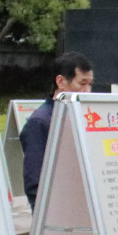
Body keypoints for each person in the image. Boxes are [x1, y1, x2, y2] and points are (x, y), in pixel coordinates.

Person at [20, 52, 94, 209]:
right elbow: (35, 182)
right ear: (61, 81)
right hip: (58, 211)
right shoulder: (40, 122)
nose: (87, 91)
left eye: (90, 84)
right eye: (82, 83)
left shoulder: (83, 116)